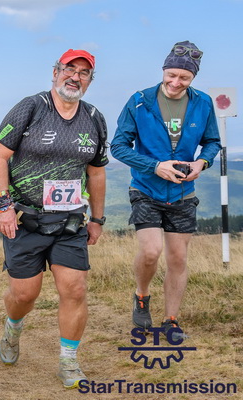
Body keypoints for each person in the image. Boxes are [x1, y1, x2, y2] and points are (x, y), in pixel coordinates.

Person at [0, 49, 108, 389]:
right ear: (55, 72)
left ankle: (69, 362)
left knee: (75, 288)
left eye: (84, 73)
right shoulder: (31, 108)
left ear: (90, 81)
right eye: (70, 69)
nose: (75, 77)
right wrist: (3, 206)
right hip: (25, 218)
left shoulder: (94, 118)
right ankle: (13, 328)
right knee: (24, 295)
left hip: (70, 221)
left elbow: (96, 173)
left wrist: (97, 218)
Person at [110, 41, 221, 340]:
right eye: (171, 75)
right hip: (146, 188)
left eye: (184, 77)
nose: (176, 82)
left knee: (178, 258)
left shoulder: (203, 102)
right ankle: (141, 295)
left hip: (184, 192)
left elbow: (212, 142)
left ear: (193, 77)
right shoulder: (139, 101)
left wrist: (202, 162)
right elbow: (118, 146)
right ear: (163, 70)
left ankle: (171, 319)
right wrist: (155, 166)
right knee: (150, 251)